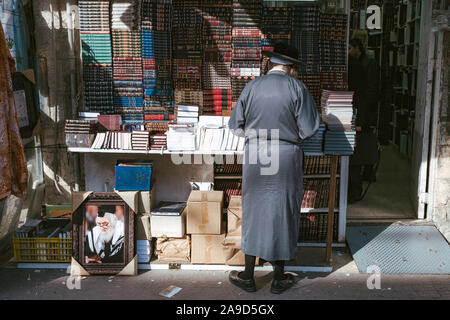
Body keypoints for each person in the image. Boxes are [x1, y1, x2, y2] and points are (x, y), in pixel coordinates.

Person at [228, 43, 320, 294]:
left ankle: (248, 275)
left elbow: (235, 126)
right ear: (290, 68)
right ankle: (279, 278)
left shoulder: (252, 86)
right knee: (283, 210)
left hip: (257, 154)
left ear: (270, 64)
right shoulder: (298, 88)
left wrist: (256, 136)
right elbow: (310, 128)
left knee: (254, 209)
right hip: (286, 154)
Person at [348, 38, 380, 203]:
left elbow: (371, 89)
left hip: (361, 110)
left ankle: (358, 185)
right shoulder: (358, 63)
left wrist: (364, 112)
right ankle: (357, 185)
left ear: (357, 48)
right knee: (357, 151)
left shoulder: (363, 65)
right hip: (359, 109)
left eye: (350, 48)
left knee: (357, 151)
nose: (348, 51)